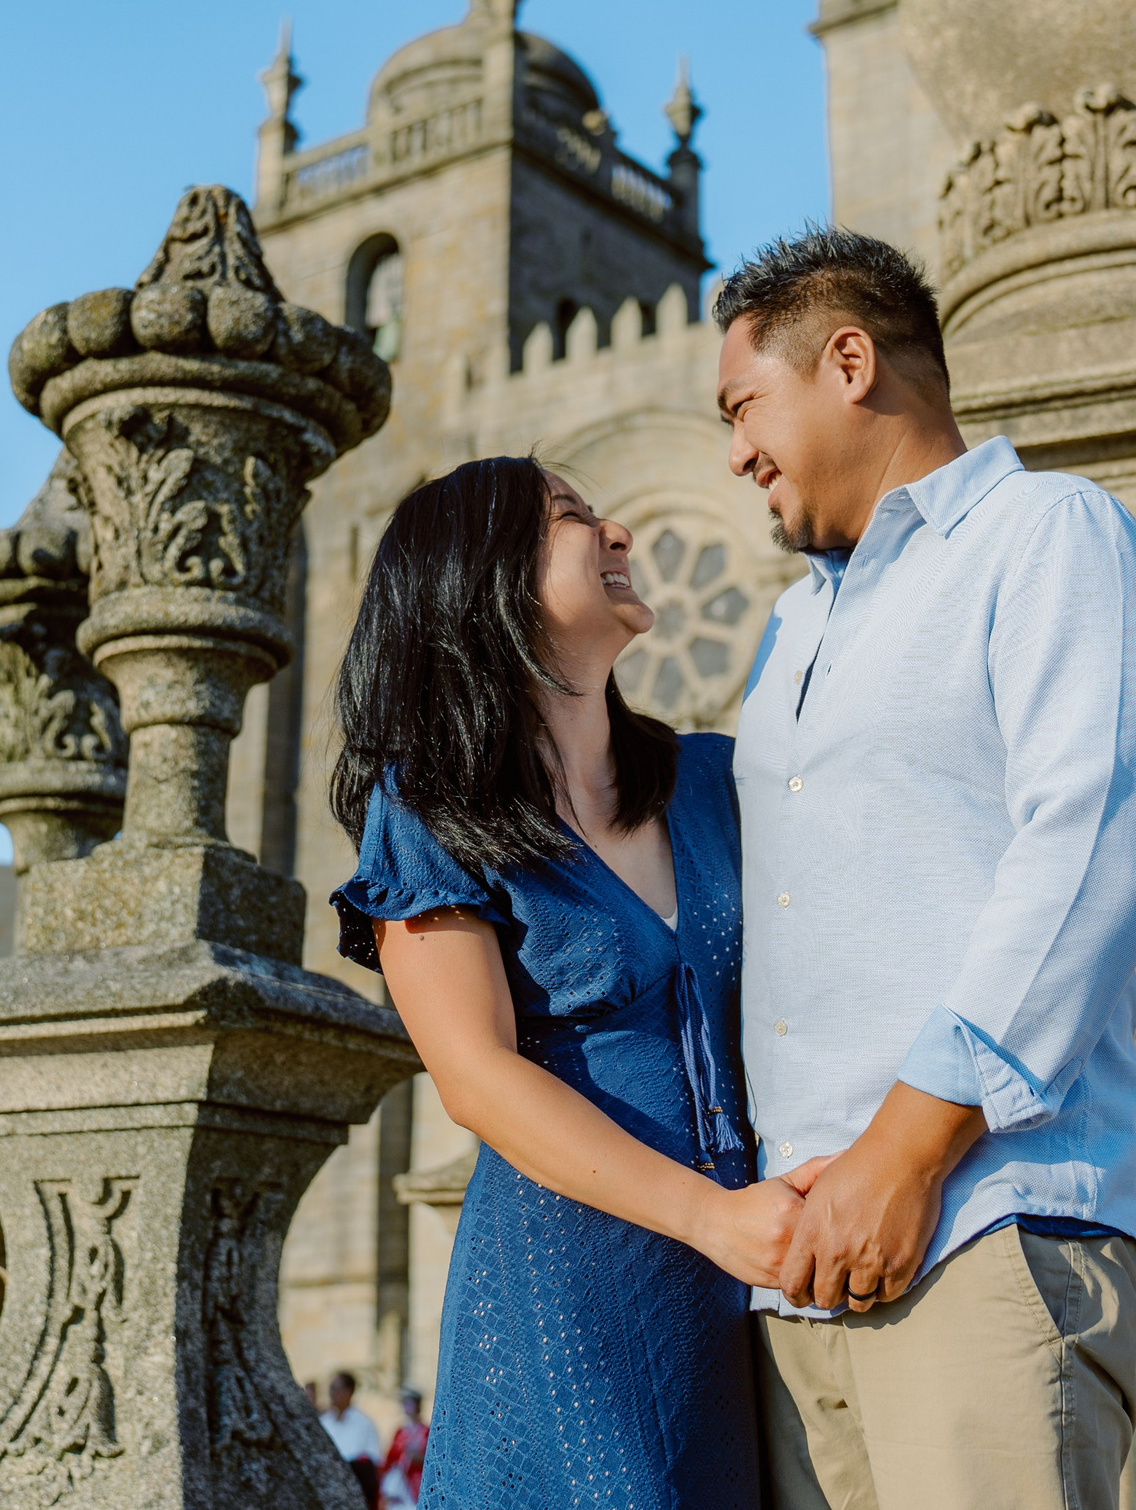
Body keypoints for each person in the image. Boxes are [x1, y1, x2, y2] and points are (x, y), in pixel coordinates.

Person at [714, 226, 1136, 1510]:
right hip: (801, 1269)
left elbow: (1088, 852)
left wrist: (906, 1154)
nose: (736, 451)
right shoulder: (794, 622)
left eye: (746, 404)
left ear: (849, 362)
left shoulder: (1046, 534)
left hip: (983, 1221)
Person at [329, 457, 821, 1509]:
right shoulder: (425, 807)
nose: (619, 534)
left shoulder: (711, 781)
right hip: (570, 1287)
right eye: (572, 519)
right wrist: (711, 1218)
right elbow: (474, 1077)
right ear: (485, 580)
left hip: (766, 1274)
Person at [317, 1371, 382, 1506]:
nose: (333, 1394)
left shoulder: (364, 1423)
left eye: (337, 1389)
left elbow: (372, 1459)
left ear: (349, 1392)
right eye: (332, 1389)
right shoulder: (324, 1422)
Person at [380, 1391, 430, 1510]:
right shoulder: (401, 1431)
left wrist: (417, 1458)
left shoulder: (426, 1431)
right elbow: (391, 1456)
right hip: (400, 1478)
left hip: (417, 1479)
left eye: (410, 1404)